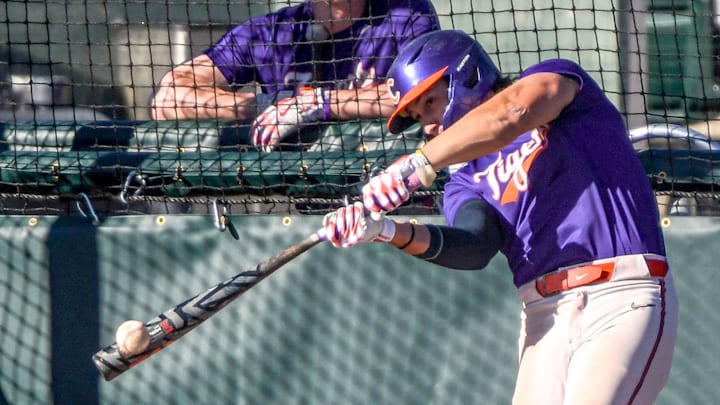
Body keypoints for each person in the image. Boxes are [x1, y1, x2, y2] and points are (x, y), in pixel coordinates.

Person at [322, 30, 678, 404]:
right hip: (543, 316)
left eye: (429, 103)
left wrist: (417, 165)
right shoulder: (463, 182)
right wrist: (385, 229)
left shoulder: (555, 84)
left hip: (620, 296)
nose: (426, 124)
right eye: (416, 116)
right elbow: (473, 247)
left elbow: (513, 112)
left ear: (467, 75)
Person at [150, 0, 439, 150]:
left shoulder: (406, 15)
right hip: (296, 205)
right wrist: (267, 106)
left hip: (389, 196)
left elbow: (428, 93)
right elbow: (166, 99)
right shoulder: (269, 32)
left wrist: (318, 103)